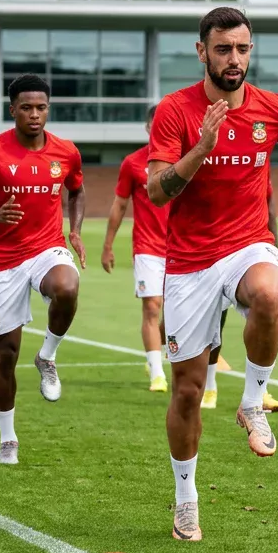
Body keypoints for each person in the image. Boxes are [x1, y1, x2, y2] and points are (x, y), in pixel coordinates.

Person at [146, 6, 278, 541]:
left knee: (269, 293)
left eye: (242, 48)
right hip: (190, 260)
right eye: (223, 49)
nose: (234, 59)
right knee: (188, 392)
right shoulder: (174, 112)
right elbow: (155, 191)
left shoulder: (274, 109)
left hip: (248, 243)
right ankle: (186, 498)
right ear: (202, 52)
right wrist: (201, 149)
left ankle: (251, 401)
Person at [0, 74, 86, 465]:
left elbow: (77, 190)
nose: (35, 115)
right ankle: (7, 439)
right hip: (5, 261)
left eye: (42, 107)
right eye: (27, 107)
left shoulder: (65, 152)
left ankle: (47, 356)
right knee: (5, 355)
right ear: (12, 108)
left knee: (67, 286)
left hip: (47, 248)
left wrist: (76, 230)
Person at [103, 104, 172, 393]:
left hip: (184, 248)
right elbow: (120, 204)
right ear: (148, 128)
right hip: (147, 247)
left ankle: (158, 347)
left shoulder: (184, 160)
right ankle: (157, 372)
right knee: (151, 306)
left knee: (176, 315)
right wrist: (108, 245)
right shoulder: (133, 163)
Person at [204, 184, 278, 413]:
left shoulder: (257, 163)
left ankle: (259, 393)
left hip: (251, 253)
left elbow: (269, 207)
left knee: (265, 313)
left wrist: (275, 254)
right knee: (214, 324)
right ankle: (209, 386)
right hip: (212, 252)